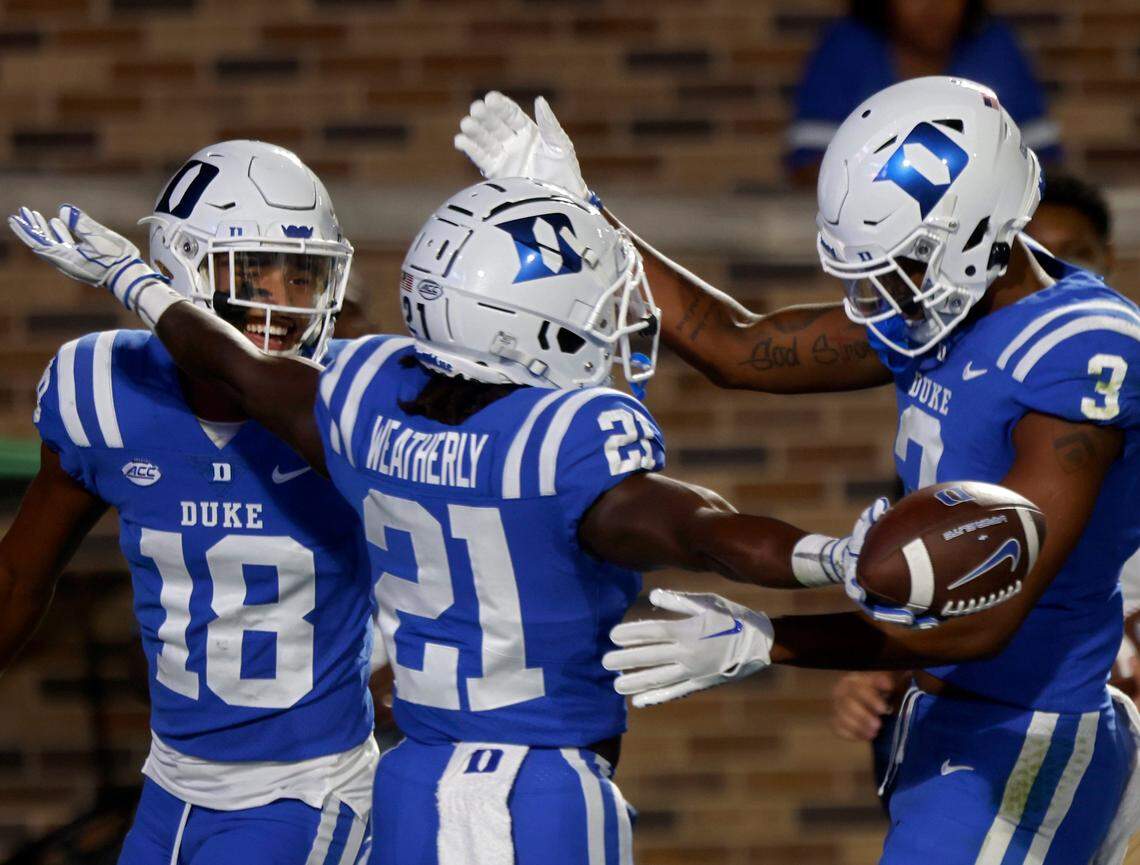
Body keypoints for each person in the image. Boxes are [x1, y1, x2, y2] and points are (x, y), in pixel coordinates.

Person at [9, 176, 906, 864]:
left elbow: (248, 376)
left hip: (412, 775)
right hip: (541, 780)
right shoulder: (558, 437)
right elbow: (700, 530)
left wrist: (135, 282)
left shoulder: (368, 406)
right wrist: (829, 554)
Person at [453, 82, 1140, 863]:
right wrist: (580, 209)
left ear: (980, 233)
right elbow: (739, 346)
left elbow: (982, 621)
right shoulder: (946, 301)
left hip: (1028, 731)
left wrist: (768, 641)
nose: (882, 296)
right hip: (958, 721)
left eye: (902, 266)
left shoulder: (1080, 353)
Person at [1, 140, 378, 865]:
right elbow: (21, 574)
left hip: (305, 791)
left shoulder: (349, 402)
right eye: (252, 271)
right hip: (170, 785)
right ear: (180, 265)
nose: (280, 300)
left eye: (302, 275)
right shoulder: (104, 389)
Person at [830, 171, 1121, 794]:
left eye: (1069, 256)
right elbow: (946, 594)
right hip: (998, 725)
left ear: (1106, 260)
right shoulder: (975, 404)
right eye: (1030, 251)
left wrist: (777, 639)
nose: (1043, 274)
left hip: (1071, 716)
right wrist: (878, 666)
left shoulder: (1105, 379)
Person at [788, 0, 1060, 184]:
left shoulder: (994, 45)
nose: (934, 7)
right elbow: (810, 169)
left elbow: (1043, 164)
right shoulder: (847, 46)